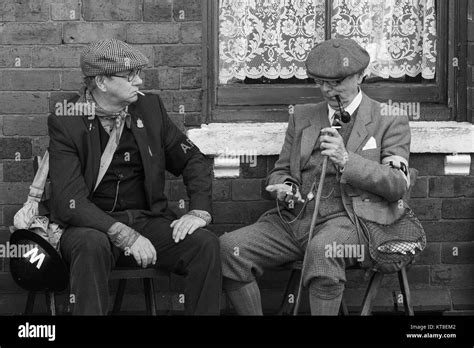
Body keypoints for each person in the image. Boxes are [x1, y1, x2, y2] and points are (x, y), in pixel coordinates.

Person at [219, 38, 412, 315]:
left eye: (335, 82)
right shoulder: (302, 116)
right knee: (228, 249)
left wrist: (347, 160)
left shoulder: (389, 118)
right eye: (320, 82)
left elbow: (397, 185)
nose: (327, 89)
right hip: (294, 220)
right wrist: (284, 186)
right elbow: (282, 169)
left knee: (324, 251)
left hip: (350, 222)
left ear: (360, 76)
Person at [48, 39, 221, 315]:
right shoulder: (67, 120)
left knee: (205, 244)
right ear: (102, 82)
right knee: (90, 246)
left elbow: (192, 159)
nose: (139, 81)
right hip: (91, 226)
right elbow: (71, 202)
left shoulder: (149, 108)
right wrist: (124, 235)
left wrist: (199, 211)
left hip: (146, 220)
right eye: (130, 76)